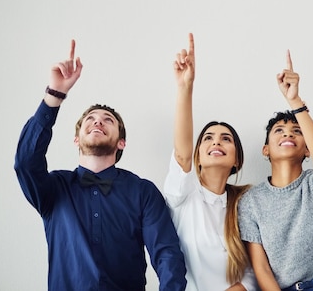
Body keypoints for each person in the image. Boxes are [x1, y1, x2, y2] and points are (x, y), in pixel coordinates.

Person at [14, 39, 187, 291]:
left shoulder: (143, 191)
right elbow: (25, 163)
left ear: (121, 143)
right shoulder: (53, 188)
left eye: (108, 120)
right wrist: (54, 95)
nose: (98, 122)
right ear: (77, 139)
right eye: (90, 119)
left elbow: (167, 254)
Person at [238, 51, 313, 291]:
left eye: (296, 131)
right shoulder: (251, 202)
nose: (288, 133)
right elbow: (261, 267)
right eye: (279, 131)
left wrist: (295, 102)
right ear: (266, 150)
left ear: (307, 149)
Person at [163, 33, 257, 291]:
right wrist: (185, 88)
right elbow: (181, 154)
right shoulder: (184, 193)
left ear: (237, 158)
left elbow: (252, 271)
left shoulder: (245, 202)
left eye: (225, 139)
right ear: (198, 156)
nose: (216, 142)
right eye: (208, 138)